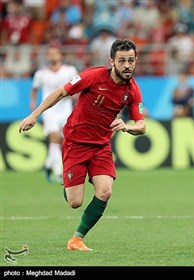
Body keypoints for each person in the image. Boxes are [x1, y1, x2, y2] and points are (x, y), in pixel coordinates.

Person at [19, 38, 146, 251]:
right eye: (122, 60)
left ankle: (76, 239)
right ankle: (69, 186)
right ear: (112, 61)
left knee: (105, 191)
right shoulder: (92, 76)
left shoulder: (133, 90)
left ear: (136, 61)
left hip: (101, 146)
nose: (127, 65)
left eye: (131, 61)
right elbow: (61, 92)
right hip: (75, 143)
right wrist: (34, 115)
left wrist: (127, 127)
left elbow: (141, 125)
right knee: (75, 202)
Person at [30, 44, 78, 183]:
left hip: (65, 110)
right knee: (54, 137)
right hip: (49, 110)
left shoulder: (69, 71)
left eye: (55, 53)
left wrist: (75, 97)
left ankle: (48, 164)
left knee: (64, 140)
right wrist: (33, 102)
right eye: (50, 54)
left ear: (60, 55)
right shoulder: (41, 73)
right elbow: (34, 88)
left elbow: (76, 87)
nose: (53, 56)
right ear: (47, 57)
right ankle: (58, 172)